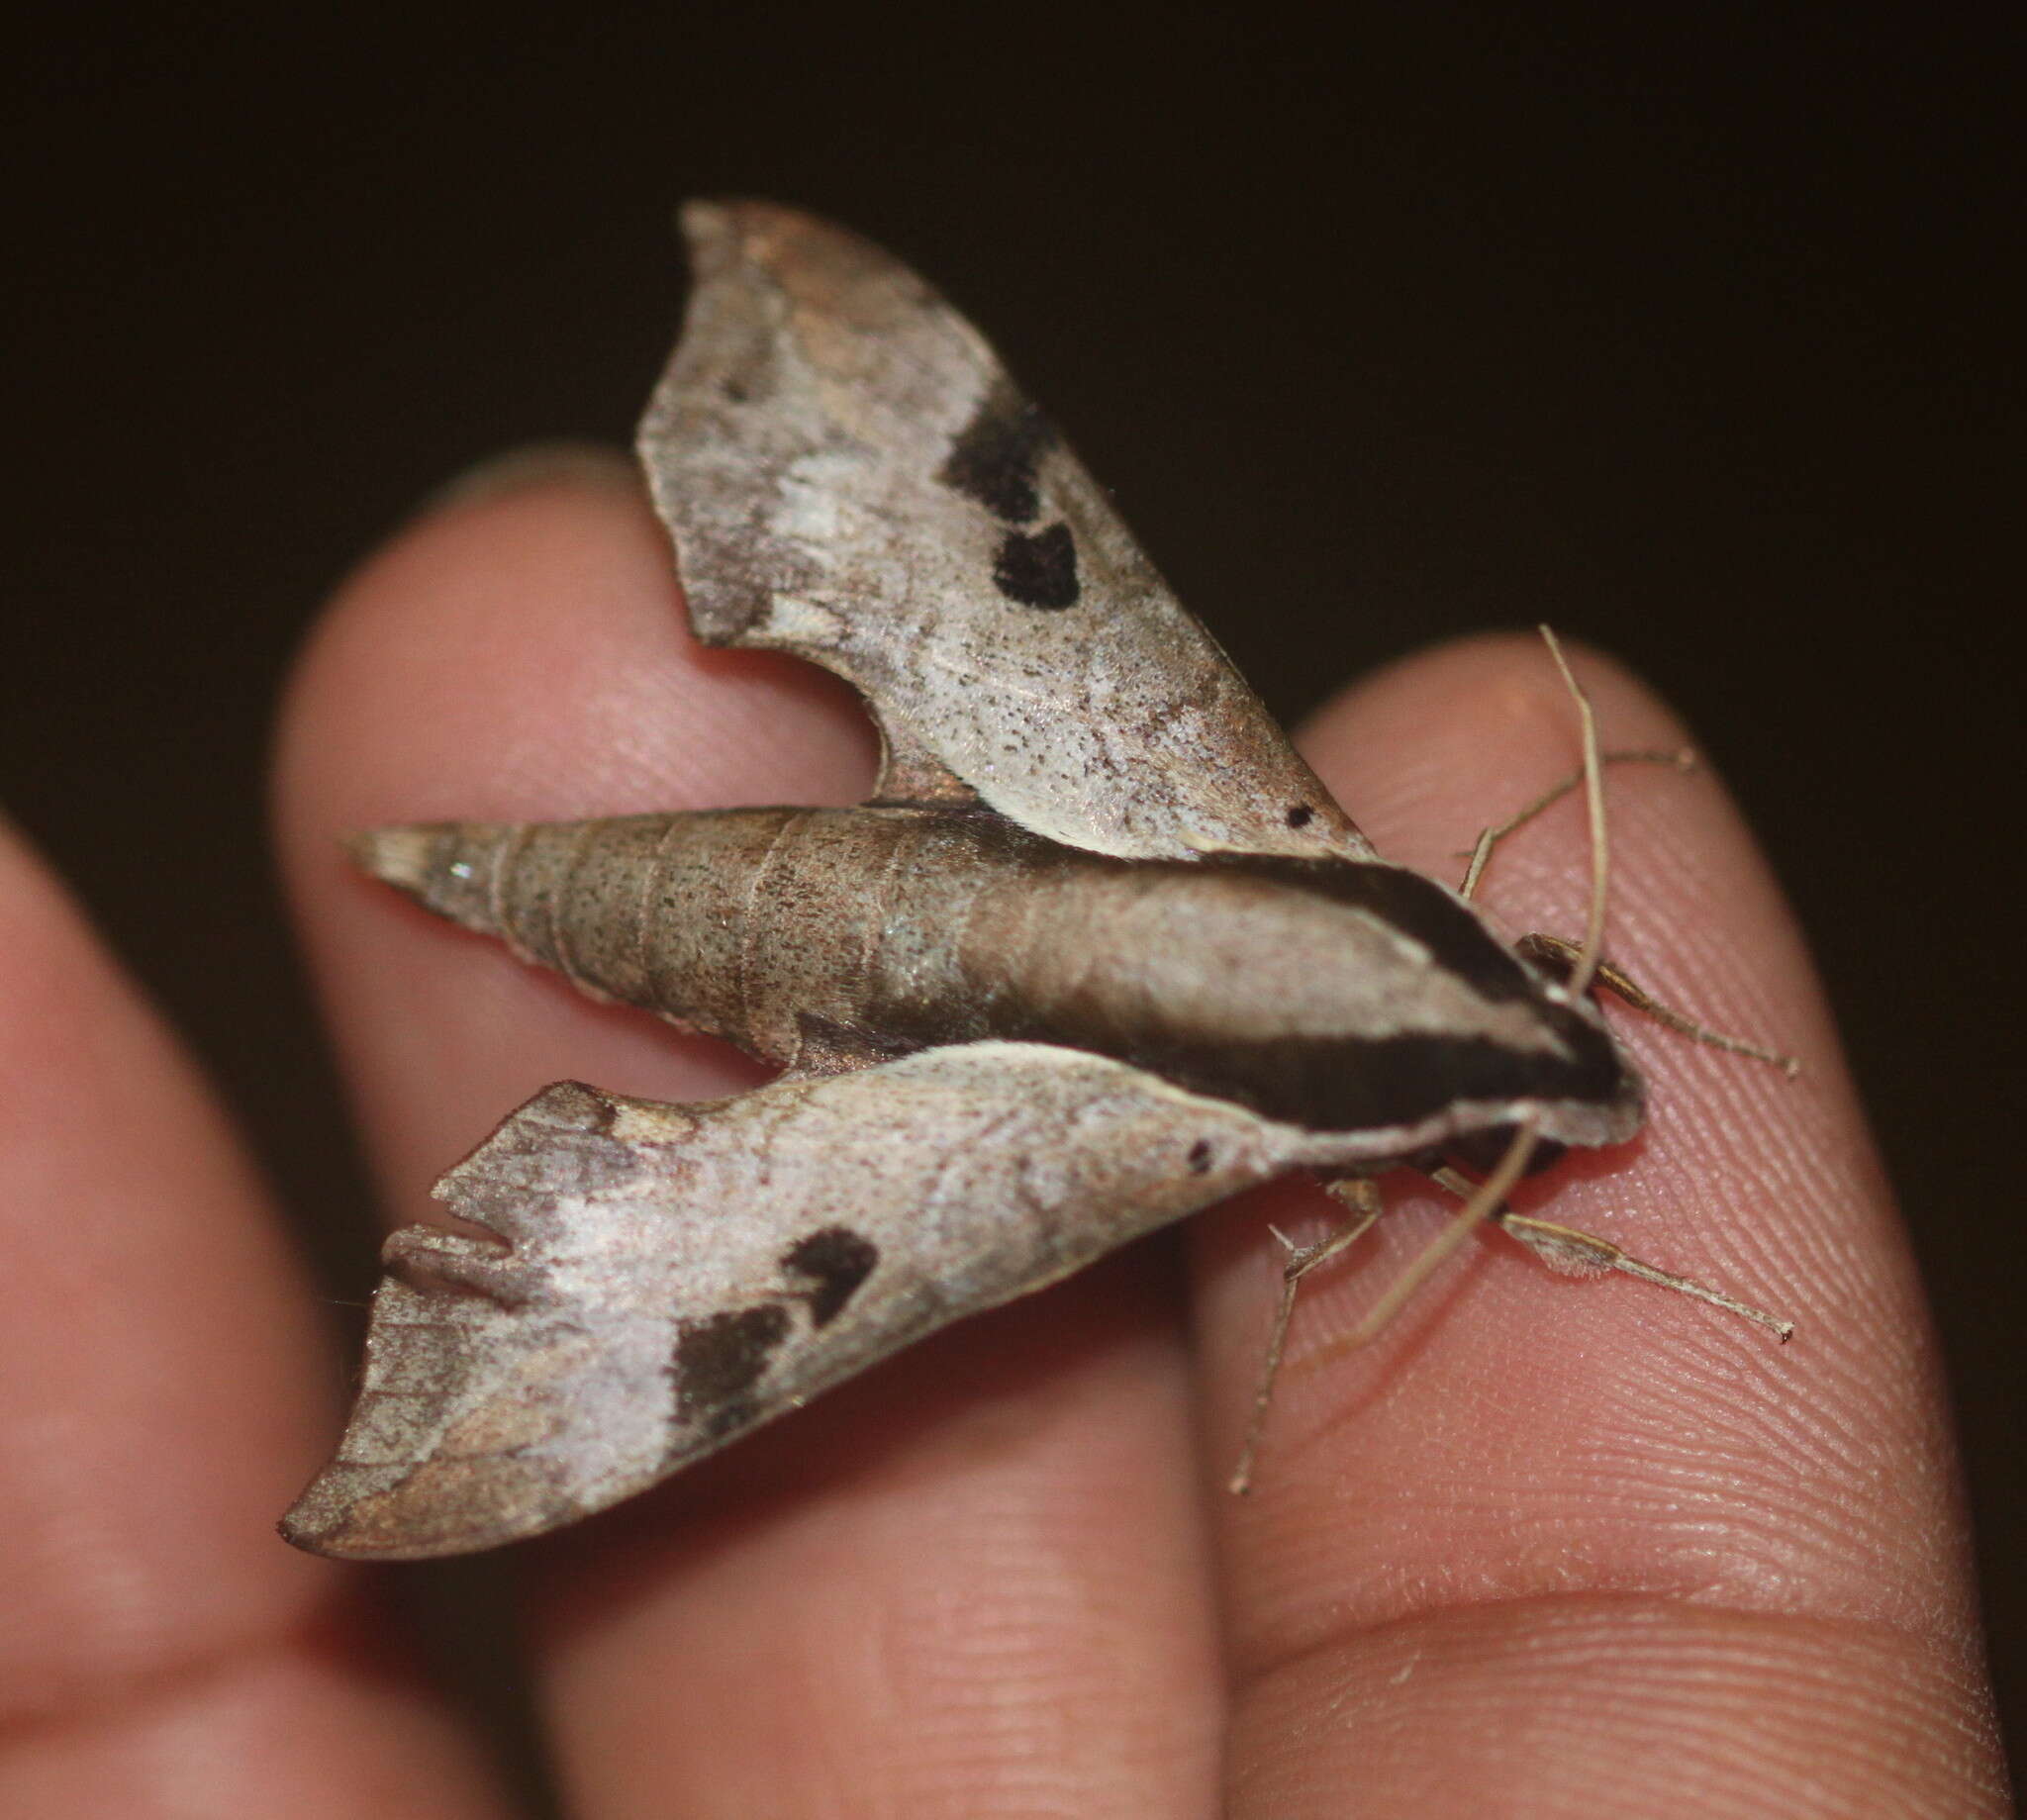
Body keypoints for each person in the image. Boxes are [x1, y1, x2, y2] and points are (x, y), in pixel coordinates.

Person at [0, 454, 2005, 1814]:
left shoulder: (1308, 878)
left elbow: (901, 446)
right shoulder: (1263, 1164)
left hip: (1041, 802)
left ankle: (443, 860)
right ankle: (445, 866)